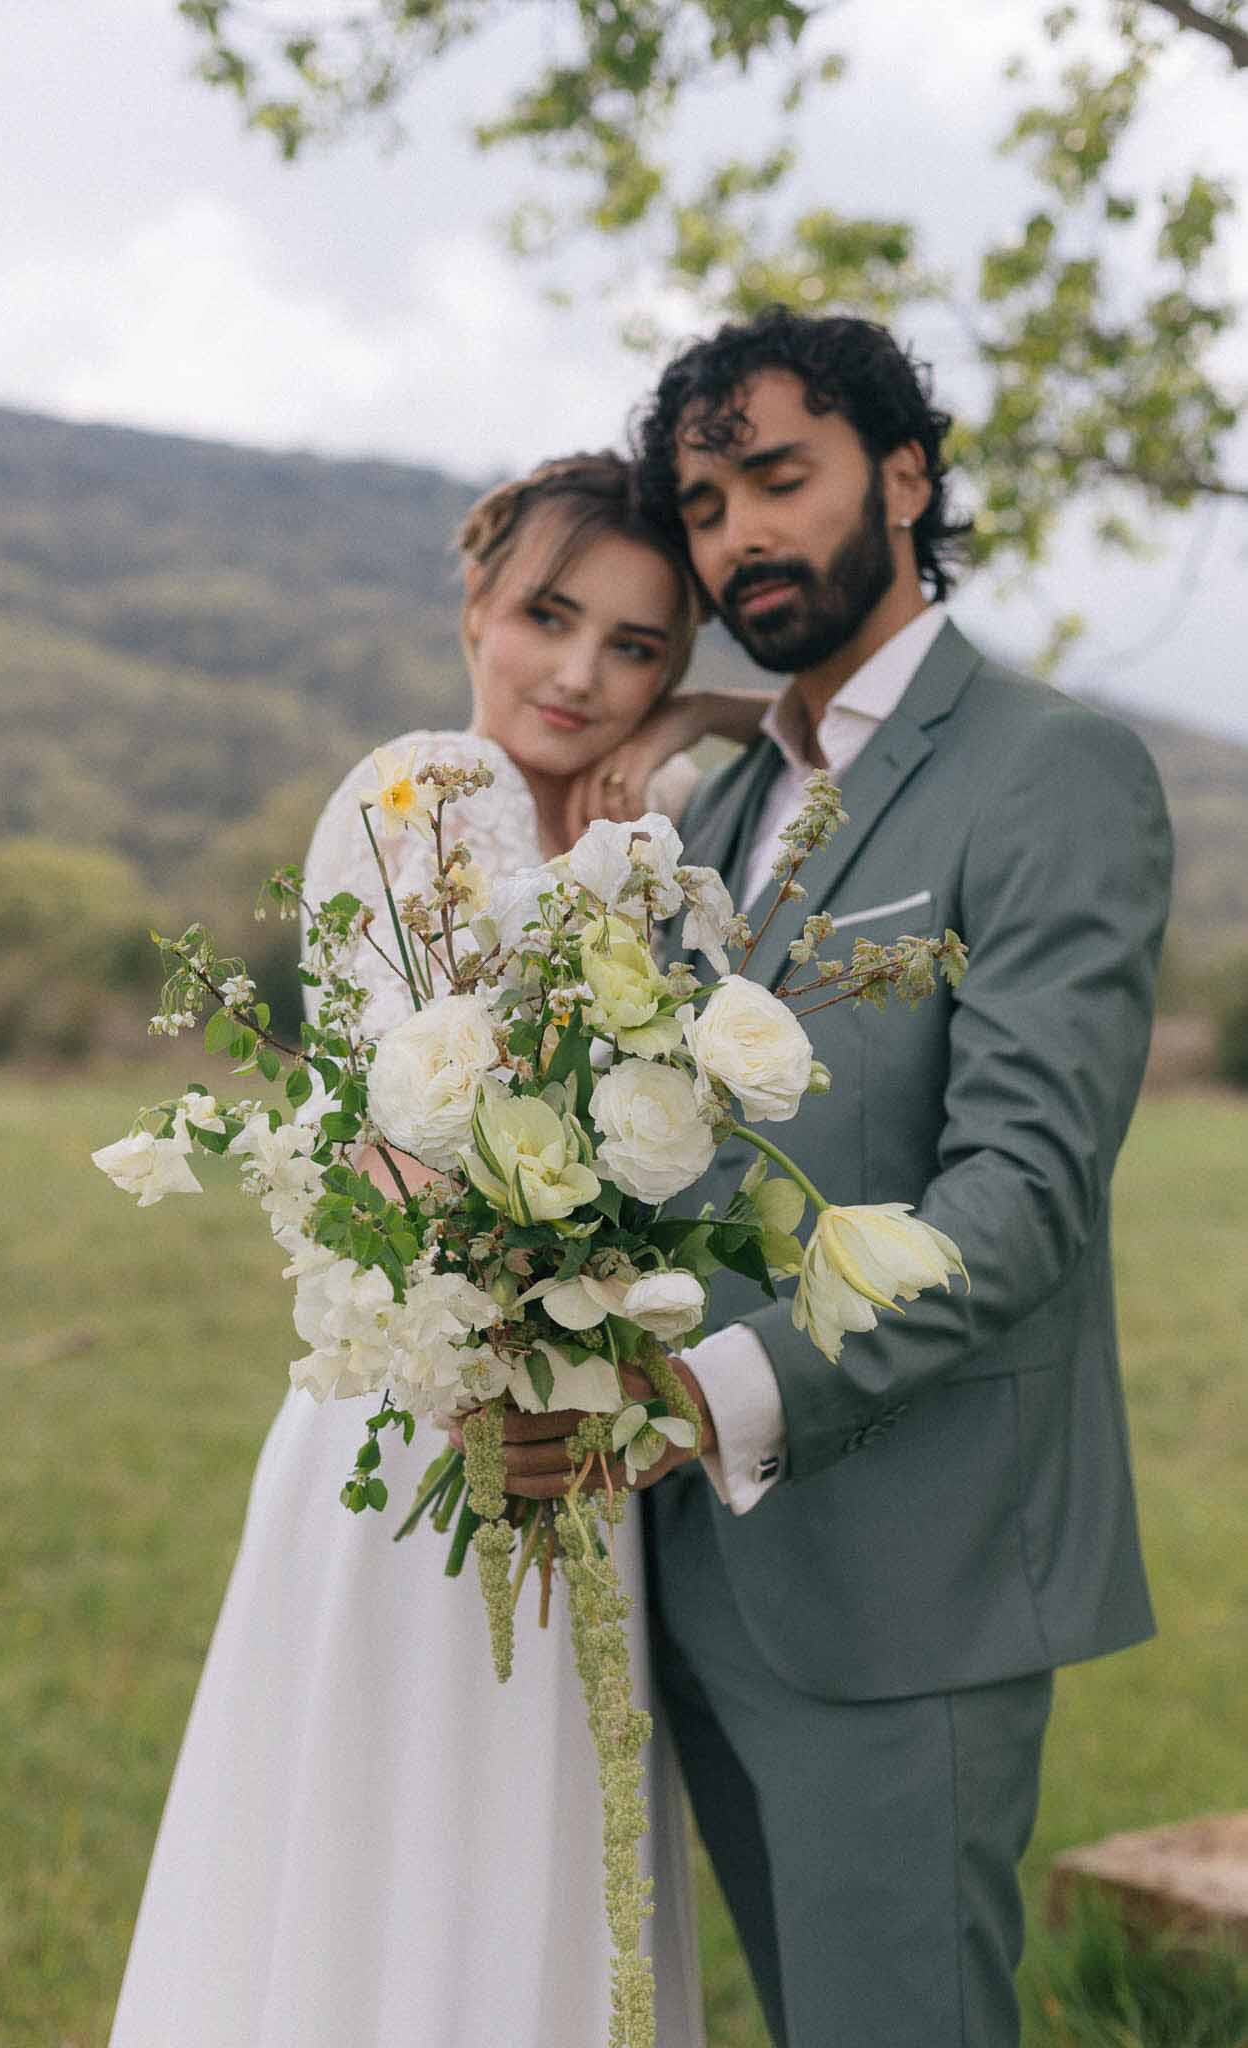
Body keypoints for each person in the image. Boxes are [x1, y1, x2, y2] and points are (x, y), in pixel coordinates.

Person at [498, 311, 1174, 2048]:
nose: (735, 539)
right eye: (706, 505)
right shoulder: (728, 800)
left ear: (902, 473)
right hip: (706, 1581)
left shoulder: (1051, 771)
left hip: (910, 1582)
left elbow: (1017, 1199)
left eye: (775, 481)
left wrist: (701, 1397)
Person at [107, 450, 776, 2048]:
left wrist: (681, 736)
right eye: (550, 616)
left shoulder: (639, 820)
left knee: (553, 1821)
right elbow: (410, 1137)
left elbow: (794, 719)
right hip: (427, 1390)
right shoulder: (422, 788)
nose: (579, 673)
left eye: (635, 647)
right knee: (393, 1821)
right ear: (474, 601)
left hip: (572, 1407)